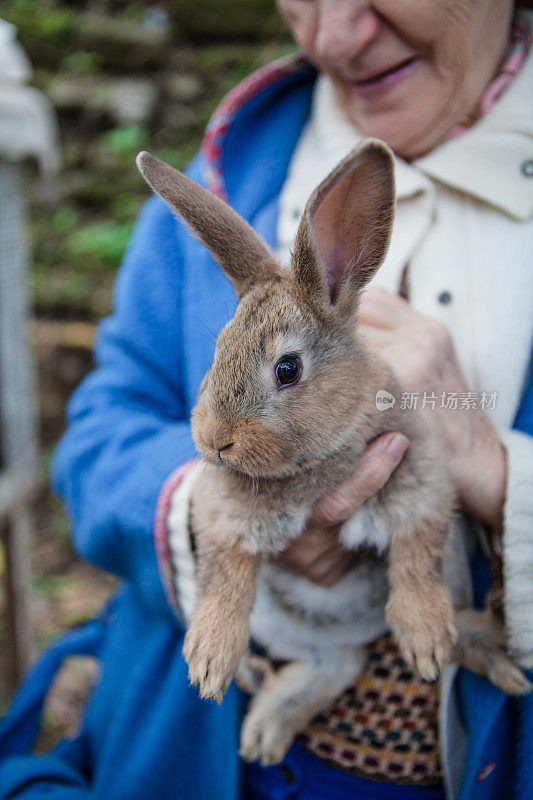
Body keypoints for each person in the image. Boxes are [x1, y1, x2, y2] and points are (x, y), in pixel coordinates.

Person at [1, 1, 532, 798]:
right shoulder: (234, 167)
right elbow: (101, 430)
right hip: (193, 750)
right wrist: (207, 512)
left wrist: (502, 481)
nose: (330, 36)